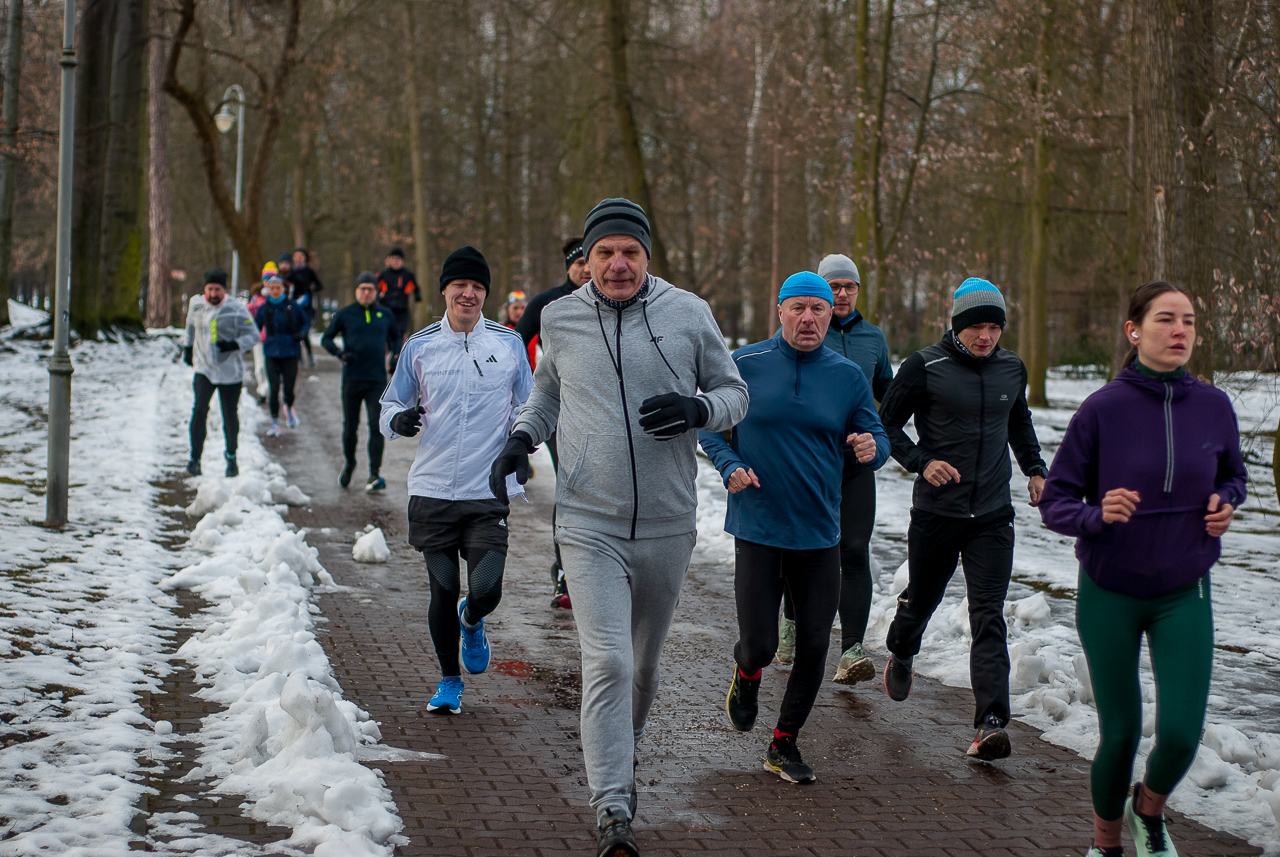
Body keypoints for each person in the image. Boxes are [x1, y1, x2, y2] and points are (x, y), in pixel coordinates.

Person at [491, 199, 748, 857]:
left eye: (629, 251)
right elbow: (547, 394)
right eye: (604, 252)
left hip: (668, 524)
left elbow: (735, 394)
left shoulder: (688, 313)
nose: (617, 263)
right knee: (607, 657)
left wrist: (698, 405)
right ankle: (611, 810)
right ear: (588, 259)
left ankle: (620, 756)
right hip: (586, 519)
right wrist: (523, 437)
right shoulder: (560, 317)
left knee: (643, 664)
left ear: (646, 257)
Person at [1038, 281, 1247, 857]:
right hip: (1111, 591)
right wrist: (1095, 514)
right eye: (1165, 319)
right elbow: (1055, 501)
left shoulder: (1214, 406)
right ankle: (1105, 843)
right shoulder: (1104, 409)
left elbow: (1234, 475)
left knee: (1180, 735)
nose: (1181, 330)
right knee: (1122, 734)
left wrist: (1226, 501)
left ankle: (1146, 811)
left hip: (1185, 588)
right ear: (1134, 332)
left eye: (1189, 320)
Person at [700, 271, 890, 785]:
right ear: (779, 309)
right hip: (759, 527)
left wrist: (875, 447)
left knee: (813, 645)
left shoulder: (847, 375)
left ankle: (784, 742)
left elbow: (874, 428)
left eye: (819, 309)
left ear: (832, 315)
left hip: (818, 532)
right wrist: (728, 464)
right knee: (760, 643)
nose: (809, 318)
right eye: (798, 307)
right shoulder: (745, 365)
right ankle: (747, 673)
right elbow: (713, 430)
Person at [878, 277, 1049, 760]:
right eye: (977, 326)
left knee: (988, 615)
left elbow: (1019, 420)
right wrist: (921, 461)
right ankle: (902, 648)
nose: (986, 336)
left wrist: (1034, 469)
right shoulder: (924, 365)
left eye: (995, 327)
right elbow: (885, 424)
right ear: (957, 326)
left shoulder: (1012, 368)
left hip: (992, 515)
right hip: (937, 512)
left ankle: (990, 723)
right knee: (922, 601)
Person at [380, 246, 533, 719]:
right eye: (460, 285)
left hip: (487, 490)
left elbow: (531, 408)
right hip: (431, 491)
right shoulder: (420, 346)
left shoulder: (507, 346)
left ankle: (474, 620)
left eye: (478, 287)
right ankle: (449, 681)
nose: (468, 294)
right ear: (445, 289)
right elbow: (389, 407)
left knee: (485, 590)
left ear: (485, 293)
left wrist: (524, 450)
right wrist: (399, 421)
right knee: (442, 590)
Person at [775, 253, 894, 685]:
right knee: (799, 550)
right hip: (807, 463)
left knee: (854, 551)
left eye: (850, 287)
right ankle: (789, 621)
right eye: (835, 287)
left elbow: (890, 397)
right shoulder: (798, 332)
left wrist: (880, 439)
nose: (843, 294)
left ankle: (852, 650)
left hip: (855, 463)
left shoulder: (873, 340)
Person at [513, 236, 592, 608]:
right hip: (560, 410)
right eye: (579, 264)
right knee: (570, 481)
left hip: (602, 412)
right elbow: (515, 344)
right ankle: (565, 571)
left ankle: (597, 567)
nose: (585, 270)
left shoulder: (614, 302)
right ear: (569, 267)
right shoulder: (547, 303)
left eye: (589, 262)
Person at [323, 272, 400, 490]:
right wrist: (339, 353)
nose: (366, 293)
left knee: (377, 426)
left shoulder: (385, 314)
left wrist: (395, 355)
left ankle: (374, 474)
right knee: (350, 427)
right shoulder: (346, 314)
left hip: (376, 379)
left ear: (377, 292)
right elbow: (326, 338)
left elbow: (395, 336)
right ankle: (350, 464)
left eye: (371, 289)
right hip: (352, 378)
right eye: (362, 289)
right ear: (356, 291)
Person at [183, 267, 259, 478]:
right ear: (204, 289)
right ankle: (195, 459)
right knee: (199, 411)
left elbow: (253, 335)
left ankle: (231, 457)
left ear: (224, 290)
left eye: (218, 290)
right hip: (204, 369)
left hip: (230, 372)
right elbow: (190, 326)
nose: (213, 294)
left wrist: (235, 345)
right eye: (210, 289)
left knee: (229, 415)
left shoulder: (236, 309)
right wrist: (188, 348)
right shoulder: (196, 304)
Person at [254, 275, 309, 437]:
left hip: (290, 351)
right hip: (271, 352)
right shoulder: (264, 308)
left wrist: (302, 334)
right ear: (268, 290)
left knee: (289, 389)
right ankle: (275, 422)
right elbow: (255, 325)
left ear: (283, 289)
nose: (275, 291)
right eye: (272, 288)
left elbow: (305, 322)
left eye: (278, 288)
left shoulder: (292, 306)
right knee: (273, 388)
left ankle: (289, 406)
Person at [376, 247, 421, 365]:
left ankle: (396, 359)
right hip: (387, 309)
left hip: (402, 310)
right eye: (393, 259)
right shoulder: (384, 274)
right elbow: (375, 287)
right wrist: (378, 298)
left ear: (402, 261)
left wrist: (418, 297)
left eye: (398, 259)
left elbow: (416, 288)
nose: (395, 261)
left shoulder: (408, 274)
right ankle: (386, 357)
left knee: (400, 334)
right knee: (387, 334)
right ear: (389, 260)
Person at [288, 247, 323, 367]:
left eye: (300, 256)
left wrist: (311, 289)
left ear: (305, 258)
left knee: (304, 332)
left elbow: (319, 285)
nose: (298, 258)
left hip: (306, 306)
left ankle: (309, 355)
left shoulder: (309, 272)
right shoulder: (290, 272)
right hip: (294, 305)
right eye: (296, 256)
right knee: (296, 331)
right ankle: (299, 359)